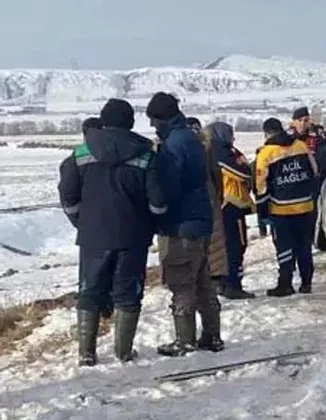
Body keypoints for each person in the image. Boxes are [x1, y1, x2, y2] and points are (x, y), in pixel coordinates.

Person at [58, 100, 167, 366]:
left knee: (90, 291)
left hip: (93, 236)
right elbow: (158, 202)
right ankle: (123, 351)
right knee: (128, 293)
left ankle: (86, 353)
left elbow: (67, 194)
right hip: (133, 237)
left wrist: (80, 221)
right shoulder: (146, 155)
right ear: (130, 122)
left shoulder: (81, 153)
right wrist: (151, 222)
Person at [146, 92, 223, 356]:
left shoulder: (173, 145)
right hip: (200, 220)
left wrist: (156, 209)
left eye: (153, 121)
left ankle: (185, 339)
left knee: (182, 282)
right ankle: (212, 335)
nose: (153, 127)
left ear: (160, 117)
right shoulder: (191, 138)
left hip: (181, 224)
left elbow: (169, 188)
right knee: (202, 281)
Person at [255, 118, 319, 296]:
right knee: (304, 246)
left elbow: (261, 185)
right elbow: (314, 172)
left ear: (267, 133)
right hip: (305, 206)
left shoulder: (266, 153)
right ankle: (306, 283)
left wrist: (262, 212)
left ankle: (285, 283)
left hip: (281, 209)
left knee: (284, 248)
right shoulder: (300, 145)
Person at [206, 121, 256, 299]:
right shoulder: (220, 152)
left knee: (227, 246)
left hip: (230, 204)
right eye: (230, 133)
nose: (233, 137)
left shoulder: (225, 150)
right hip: (230, 205)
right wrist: (244, 166)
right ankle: (232, 284)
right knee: (235, 246)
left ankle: (224, 282)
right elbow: (242, 171)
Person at [189, 117, 230, 296]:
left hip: (185, 205)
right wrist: (218, 195)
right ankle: (215, 283)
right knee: (214, 243)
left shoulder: (172, 146)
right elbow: (217, 174)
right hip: (209, 198)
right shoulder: (207, 147)